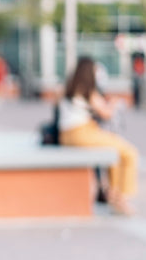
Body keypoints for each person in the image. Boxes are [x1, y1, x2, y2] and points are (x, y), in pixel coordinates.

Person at [58, 57, 139, 216]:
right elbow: (106, 114)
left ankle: (114, 197)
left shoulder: (68, 88)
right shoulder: (88, 90)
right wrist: (114, 103)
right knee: (129, 152)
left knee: (114, 154)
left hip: (66, 135)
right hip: (81, 133)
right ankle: (121, 199)